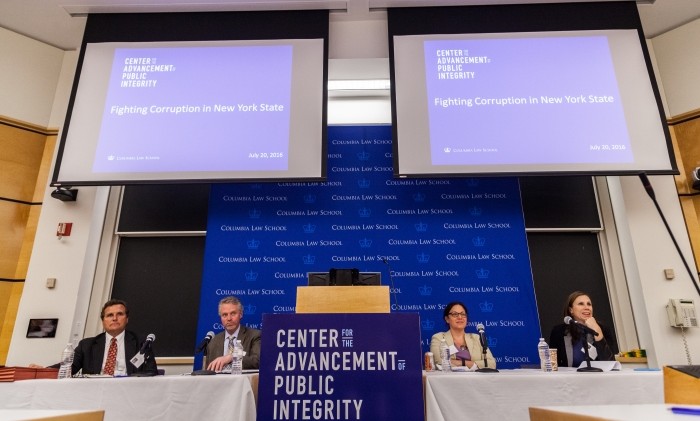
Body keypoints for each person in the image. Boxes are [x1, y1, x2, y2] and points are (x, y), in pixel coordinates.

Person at [63, 299, 158, 376]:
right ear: (103, 321)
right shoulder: (86, 345)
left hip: (128, 392)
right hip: (94, 393)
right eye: (109, 315)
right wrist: (48, 370)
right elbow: (67, 368)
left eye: (120, 314)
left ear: (127, 319)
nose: (114, 318)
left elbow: (151, 372)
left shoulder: (141, 343)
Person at [549, 291, 618, 368]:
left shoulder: (603, 329)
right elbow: (553, 364)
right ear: (571, 310)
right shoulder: (559, 331)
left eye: (589, 304)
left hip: (597, 377)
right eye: (581, 304)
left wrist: (597, 329)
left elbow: (610, 363)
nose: (587, 307)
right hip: (569, 379)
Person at [430, 301, 496, 370]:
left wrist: (461, 363)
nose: (460, 317)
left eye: (463, 314)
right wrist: (473, 364)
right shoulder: (438, 338)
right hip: (449, 379)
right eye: (455, 314)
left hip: (476, 379)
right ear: (447, 319)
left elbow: (492, 363)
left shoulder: (476, 338)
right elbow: (439, 362)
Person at [206, 296, 261, 371]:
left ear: (240, 314)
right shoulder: (213, 342)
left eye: (233, 314)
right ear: (221, 317)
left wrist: (232, 357)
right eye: (225, 315)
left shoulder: (254, 336)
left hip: (243, 382)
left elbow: (257, 361)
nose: (229, 319)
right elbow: (209, 371)